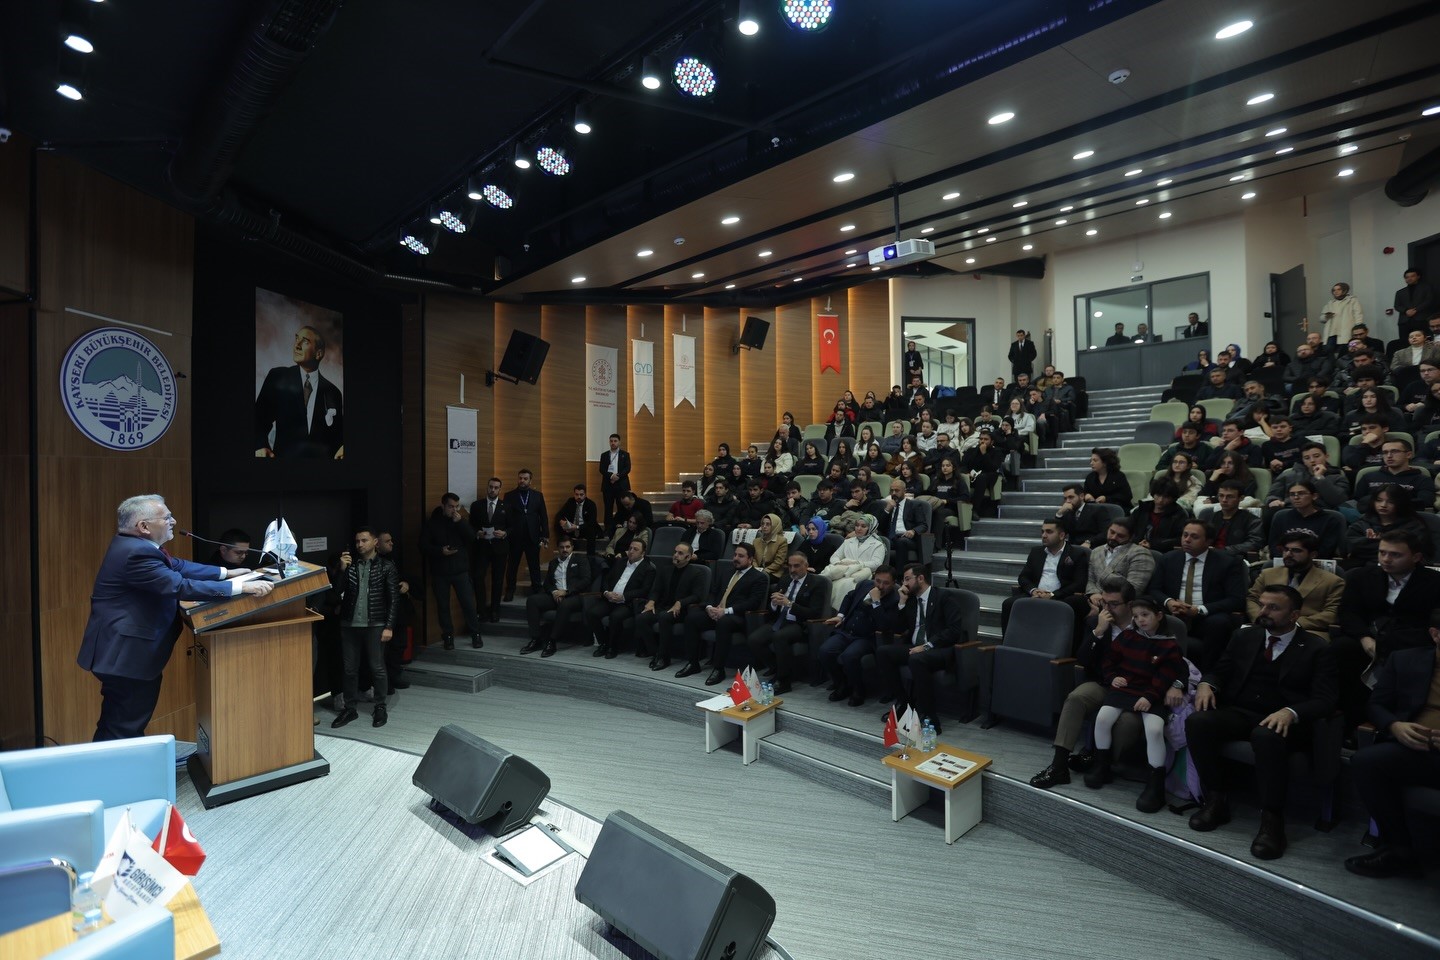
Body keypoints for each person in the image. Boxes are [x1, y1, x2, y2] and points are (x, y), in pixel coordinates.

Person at [79, 495, 274, 741]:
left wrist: (226, 573)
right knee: (122, 727)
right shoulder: (136, 554)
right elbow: (179, 585)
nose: (173, 521)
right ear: (144, 526)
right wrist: (239, 588)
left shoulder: (137, 546)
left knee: (120, 722)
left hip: (124, 653)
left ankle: (115, 763)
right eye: (167, 517)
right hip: (126, 656)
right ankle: (114, 766)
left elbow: (178, 566)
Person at [1184, 584, 1337, 859]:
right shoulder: (1245, 636)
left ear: (1294, 615)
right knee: (1198, 722)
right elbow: (1221, 670)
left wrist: (1291, 711)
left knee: (1265, 735)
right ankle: (1216, 799)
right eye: (1263, 605)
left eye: (1273, 608)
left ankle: (1272, 820)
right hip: (1242, 710)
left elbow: (1325, 700)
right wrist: (1207, 684)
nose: (1263, 612)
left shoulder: (1317, 648)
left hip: (1284, 720)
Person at [1030, 578, 1160, 789]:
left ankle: (1101, 762)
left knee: (1127, 722)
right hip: (1103, 682)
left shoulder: (1145, 623)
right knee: (1076, 698)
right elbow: (1082, 659)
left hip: (1136, 690)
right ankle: (1059, 766)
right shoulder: (1096, 622)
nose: (1107, 608)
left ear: (1129, 604)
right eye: (1104, 602)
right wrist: (1098, 632)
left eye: (1114, 604)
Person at [1343, 609, 1440, 878]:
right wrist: (1395, 726)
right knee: (1366, 762)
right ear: (1435, 635)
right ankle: (1398, 849)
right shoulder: (1405, 659)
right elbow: (1376, 705)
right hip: (1418, 749)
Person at [1084, 597, 1185, 813]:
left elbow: (1165, 676)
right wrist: (1112, 677)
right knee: (1102, 719)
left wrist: (1149, 697)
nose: (1140, 620)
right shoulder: (1128, 636)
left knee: (1154, 729)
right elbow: (1109, 660)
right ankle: (1102, 765)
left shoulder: (1169, 645)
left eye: (1145, 615)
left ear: (1159, 615)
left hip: (1153, 693)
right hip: (1126, 688)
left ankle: (1156, 785)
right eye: (1136, 616)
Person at [1335, 530, 1440, 728]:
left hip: (1412, 642)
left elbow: (1433, 622)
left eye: (1395, 554)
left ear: (1416, 557)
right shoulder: (1361, 576)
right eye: (1382, 552)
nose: (1386, 559)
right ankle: (1347, 718)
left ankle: (1399, 719)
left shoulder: (1434, 582)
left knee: (1408, 657)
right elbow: (1349, 613)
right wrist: (1364, 638)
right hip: (1367, 638)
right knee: (1340, 648)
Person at [1146, 520, 1248, 667]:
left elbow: (1237, 599)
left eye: (1194, 537)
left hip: (1207, 616)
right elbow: (1154, 589)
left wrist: (1199, 610)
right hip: (1173, 612)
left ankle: (1208, 673)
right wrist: (1169, 602)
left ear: (1208, 541)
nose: (1187, 540)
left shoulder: (1227, 563)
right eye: (1185, 535)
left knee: (1219, 623)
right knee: (1145, 610)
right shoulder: (1168, 558)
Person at [331, 526, 399, 729]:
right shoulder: (350, 566)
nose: (359, 544)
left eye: (364, 540)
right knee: (349, 669)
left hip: (375, 624)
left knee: (377, 668)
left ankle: (380, 706)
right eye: (357, 541)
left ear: (375, 542)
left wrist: (389, 626)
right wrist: (341, 570)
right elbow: (336, 592)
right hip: (349, 624)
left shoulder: (386, 566)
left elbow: (393, 599)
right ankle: (350, 708)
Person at [677, 542, 769, 685]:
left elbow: (753, 603)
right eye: (735, 555)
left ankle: (718, 669)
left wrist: (726, 611)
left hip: (738, 616)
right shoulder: (727, 571)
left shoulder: (758, 577)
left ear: (750, 559)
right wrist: (709, 607)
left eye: (741, 556)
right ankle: (693, 663)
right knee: (691, 619)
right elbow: (713, 592)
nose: (736, 558)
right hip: (716, 611)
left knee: (723, 622)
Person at [253, 325, 344, 459]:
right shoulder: (278, 376)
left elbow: (337, 437)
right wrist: (260, 446)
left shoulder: (334, 392)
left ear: (318, 354)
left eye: (305, 341)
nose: (297, 345)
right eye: (297, 339)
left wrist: (342, 447)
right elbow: (258, 420)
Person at [817, 568, 901, 706]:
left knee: (849, 656)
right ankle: (842, 684)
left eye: (886, 583)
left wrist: (876, 601)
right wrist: (840, 616)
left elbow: (884, 625)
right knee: (825, 651)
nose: (880, 586)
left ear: (893, 583)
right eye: (878, 581)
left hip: (867, 637)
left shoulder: (895, 599)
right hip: (846, 631)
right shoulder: (865, 585)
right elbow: (849, 596)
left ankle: (858, 690)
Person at [746, 552, 826, 694]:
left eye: (796, 566)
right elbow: (772, 610)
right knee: (754, 640)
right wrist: (774, 603)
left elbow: (814, 613)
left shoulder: (817, 583)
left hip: (799, 624)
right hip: (779, 620)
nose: (792, 570)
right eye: (790, 566)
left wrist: (789, 604)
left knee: (779, 637)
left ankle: (784, 681)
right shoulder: (784, 579)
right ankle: (778, 668)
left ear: (806, 566)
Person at [1246, 533, 1345, 635]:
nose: (1288, 554)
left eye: (1296, 551)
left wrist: (1291, 623)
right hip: (1266, 627)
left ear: (1313, 555)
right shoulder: (1268, 574)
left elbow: (1332, 613)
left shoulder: (1332, 581)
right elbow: (1252, 599)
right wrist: (1261, 618)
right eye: (1285, 550)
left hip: (1307, 631)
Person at [420, 493, 483, 651]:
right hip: (440, 572)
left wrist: (460, 523)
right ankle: (448, 636)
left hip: (460, 570)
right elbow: (423, 546)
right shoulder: (432, 524)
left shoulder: (460, 521)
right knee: (443, 606)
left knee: (468, 604)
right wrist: (440, 551)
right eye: (450, 506)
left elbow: (472, 538)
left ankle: (475, 634)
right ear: (443, 505)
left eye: (456, 506)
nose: (454, 510)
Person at [1001, 519, 1088, 632]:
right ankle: (1008, 641)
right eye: (1042, 532)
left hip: (1061, 597)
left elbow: (1079, 583)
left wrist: (1052, 595)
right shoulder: (1036, 552)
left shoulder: (1076, 554)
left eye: (1049, 532)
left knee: (1071, 605)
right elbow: (1023, 577)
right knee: (1008, 604)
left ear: (1062, 535)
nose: (1044, 535)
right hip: (1036, 595)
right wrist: (1033, 590)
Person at [636, 540, 710, 670]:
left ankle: (664, 657)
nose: (675, 555)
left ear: (688, 557)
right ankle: (656, 653)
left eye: (680, 553)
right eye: (675, 552)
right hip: (663, 606)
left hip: (682, 610)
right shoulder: (665, 570)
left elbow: (697, 596)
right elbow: (656, 590)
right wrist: (651, 601)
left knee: (664, 617)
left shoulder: (696, 573)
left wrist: (680, 602)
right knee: (641, 618)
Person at [583, 538, 655, 659]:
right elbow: (606, 579)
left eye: (635, 549)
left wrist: (624, 596)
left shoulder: (648, 568)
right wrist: (606, 592)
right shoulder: (620, 562)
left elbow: (644, 590)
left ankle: (613, 647)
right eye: (630, 548)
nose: (631, 551)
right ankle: (603, 643)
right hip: (610, 598)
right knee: (592, 613)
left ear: (643, 553)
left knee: (615, 616)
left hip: (628, 602)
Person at [521, 537, 591, 658]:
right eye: (562, 547)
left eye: (567, 547)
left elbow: (586, 580)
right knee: (532, 600)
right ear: (558, 548)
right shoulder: (553, 563)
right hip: (556, 595)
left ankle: (552, 641)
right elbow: (547, 583)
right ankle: (536, 639)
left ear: (572, 547)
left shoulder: (580, 560)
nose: (565, 550)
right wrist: (554, 592)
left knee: (565, 604)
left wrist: (566, 592)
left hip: (574, 596)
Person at [1077, 519, 1156, 622]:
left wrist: (1104, 599)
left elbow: (1134, 588)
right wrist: (1093, 593)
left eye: (1120, 536)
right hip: (1095, 598)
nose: (1113, 537)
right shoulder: (1096, 551)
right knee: (1072, 603)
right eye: (1112, 532)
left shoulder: (1140, 553)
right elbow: (1091, 579)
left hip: (1119, 603)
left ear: (1131, 537)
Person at [820, 514, 890, 607]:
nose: (859, 528)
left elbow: (877, 564)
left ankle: (838, 610)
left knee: (845, 584)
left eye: (863, 526)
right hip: (842, 571)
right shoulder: (848, 541)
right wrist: (840, 563)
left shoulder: (878, 544)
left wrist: (857, 564)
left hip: (860, 574)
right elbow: (834, 557)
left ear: (871, 528)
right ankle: (823, 608)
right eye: (857, 525)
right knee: (824, 580)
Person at [374, 531, 413, 693]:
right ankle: (385, 683)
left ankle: (395, 676)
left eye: (391, 540)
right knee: (385, 650)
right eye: (387, 541)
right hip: (382, 611)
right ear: (377, 544)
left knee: (399, 645)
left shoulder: (393, 559)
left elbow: (401, 577)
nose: (391, 543)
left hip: (399, 610)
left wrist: (405, 584)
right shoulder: (373, 562)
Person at [503, 468, 549, 602]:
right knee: (512, 566)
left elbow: (543, 516)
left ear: (530, 481)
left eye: (525, 479)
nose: (522, 481)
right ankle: (510, 590)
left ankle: (536, 589)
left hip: (533, 536)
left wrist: (545, 534)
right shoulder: (509, 496)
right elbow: (506, 518)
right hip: (515, 537)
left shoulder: (538, 495)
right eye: (520, 478)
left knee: (534, 565)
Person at [1267, 479, 1345, 558]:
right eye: (1292, 494)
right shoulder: (1281, 517)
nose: (1296, 497)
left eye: (1301, 493)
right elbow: (1274, 546)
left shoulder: (1329, 520)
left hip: (1314, 562)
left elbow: (1327, 550)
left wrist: (1302, 559)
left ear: (1314, 496)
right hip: (1285, 560)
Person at [1352, 438, 1435, 509]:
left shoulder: (1422, 480)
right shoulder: (1368, 477)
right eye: (1385, 452)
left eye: (1395, 451)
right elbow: (1357, 501)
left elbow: (1425, 503)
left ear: (1409, 454)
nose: (1389, 456)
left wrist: (1387, 503)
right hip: (1371, 517)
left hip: (1407, 518)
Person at [470, 478, 511, 621]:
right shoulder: (477, 505)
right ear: (487, 487)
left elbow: (512, 527)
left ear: (500, 489)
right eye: (491, 487)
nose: (493, 490)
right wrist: (477, 532)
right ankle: (481, 610)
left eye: (496, 487)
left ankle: (495, 610)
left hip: (500, 548)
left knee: (497, 580)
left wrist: (505, 533)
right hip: (482, 548)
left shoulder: (506, 506)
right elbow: (471, 525)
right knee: (478, 577)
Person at [1202, 481, 1263, 558]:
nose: (1224, 500)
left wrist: (1225, 550)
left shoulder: (1252, 520)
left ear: (1241, 498)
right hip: (1208, 556)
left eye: (1230, 496)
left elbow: (1255, 543)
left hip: (1236, 558)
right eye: (1221, 496)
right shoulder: (1211, 517)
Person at [879, 478, 929, 567]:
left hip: (907, 538)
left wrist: (913, 531)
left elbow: (923, 525)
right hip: (891, 538)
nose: (894, 493)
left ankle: (900, 573)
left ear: (904, 491)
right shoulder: (888, 505)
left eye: (897, 490)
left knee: (901, 542)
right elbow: (880, 526)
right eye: (892, 491)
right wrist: (887, 510)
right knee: (880, 541)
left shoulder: (914, 505)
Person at [1130, 478, 1187, 552]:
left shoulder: (1179, 514)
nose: (1160, 500)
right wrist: (1138, 542)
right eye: (1158, 495)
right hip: (1136, 548)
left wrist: (1153, 545)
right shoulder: (1142, 509)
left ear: (1173, 498)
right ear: (1153, 494)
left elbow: (1180, 539)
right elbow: (1129, 529)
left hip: (1162, 552)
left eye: (1166, 497)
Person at [554, 482, 601, 559]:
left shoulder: (591, 504)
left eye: (581, 494)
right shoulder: (570, 501)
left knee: (591, 530)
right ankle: (564, 552)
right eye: (577, 494)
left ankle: (590, 557)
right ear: (574, 494)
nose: (579, 497)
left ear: (585, 494)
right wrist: (561, 521)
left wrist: (577, 527)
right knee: (558, 525)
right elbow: (559, 515)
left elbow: (591, 522)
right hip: (571, 528)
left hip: (584, 528)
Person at [597, 433, 631, 531]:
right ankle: (608, 529)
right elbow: (601, 469)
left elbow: (627, 468)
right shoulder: (604, 455)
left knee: (621, 506)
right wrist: (611, 476)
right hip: (608, 485)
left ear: (619, 442)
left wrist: (618, 476)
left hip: (621, 484)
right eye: (611, 441)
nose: (613, 443)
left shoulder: (625, 454)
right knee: (608, 507)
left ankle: (621, 526)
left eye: (615, 441)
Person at [1083, 447, 1132, 512]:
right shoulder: (1090, 477)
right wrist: (1087, 495)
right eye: (1091, 460)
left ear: (1105, 463)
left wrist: (1106, 498)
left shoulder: (1118, 476)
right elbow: (1085, 492)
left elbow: (1126, 495)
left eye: (1095, 460)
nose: (1091, 463)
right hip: (1097, 510)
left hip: (1117, 509)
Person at [1393, 267, 1436, 338]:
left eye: (1412, 276)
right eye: (1407, 277)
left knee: (1424, 339)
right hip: (1404, 321)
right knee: (1404, 342)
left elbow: (1429, 301)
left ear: (1418, 277)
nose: (1409, 279)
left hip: (1421, 319)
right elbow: (1396, 306)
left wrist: (1416, 309)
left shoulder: (1426, 288)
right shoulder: (1400, 292)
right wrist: (1406, 310)